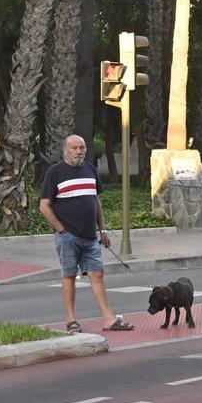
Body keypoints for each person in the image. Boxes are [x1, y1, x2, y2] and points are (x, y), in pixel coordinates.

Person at [39, 135, 134, 332]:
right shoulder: (55, 172)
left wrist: (102, 229)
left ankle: (108, 319)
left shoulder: (89, 169)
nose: (78, 151)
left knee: (97, 274)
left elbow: (95, 201)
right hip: (68, 237)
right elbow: (44, 205)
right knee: (69, 276)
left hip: (90, 236)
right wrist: (61, 229)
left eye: (81, 147)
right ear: (65, 150)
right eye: (74, 148)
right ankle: (72, 320)